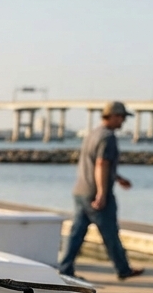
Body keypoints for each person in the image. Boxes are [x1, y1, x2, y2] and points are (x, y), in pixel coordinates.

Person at [58, 101, 144, 280]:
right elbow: (101, 164)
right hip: (94, 192)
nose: (123, 122)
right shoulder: (107, 137)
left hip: (81, 190)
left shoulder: (92, 134)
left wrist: (118, 178)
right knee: (110, 232)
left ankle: (65, 269)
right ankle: (123, 269)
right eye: (121, 117)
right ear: (113, 116)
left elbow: (96, 164)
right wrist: (102, 194)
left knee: (77, 233)